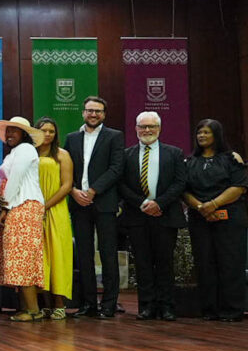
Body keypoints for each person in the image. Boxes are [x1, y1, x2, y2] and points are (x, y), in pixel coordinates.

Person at [119, 112, 187, 321]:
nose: (147, 130)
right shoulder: (126, 155)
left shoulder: (174, 153)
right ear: (136, 129)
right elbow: (121, 184)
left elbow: (180, 182)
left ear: (159, 128)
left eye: (151, 126)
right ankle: (147, 306)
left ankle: (167, 307)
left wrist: (159, 203)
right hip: (136, 217)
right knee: (142, 263)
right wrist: (142, 203)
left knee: (165, 263)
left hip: (165, 215)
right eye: (142, 126)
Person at [63, 96, 124, 318]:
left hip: (104, 203)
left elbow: (116, 168)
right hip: (79, 203)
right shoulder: (71, 138)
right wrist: (73, 191)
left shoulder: (114, 136)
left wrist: (93, 191)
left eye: (98, 111)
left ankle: (108, 304)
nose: (93, 114)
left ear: (104, 114)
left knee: (108, 254)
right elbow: (65, 169)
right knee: (84, 255)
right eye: (90, 110)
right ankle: (88, 304)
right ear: (83, 112)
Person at [182, 119, 247, 322]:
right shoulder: (189, 161)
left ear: (217, 135)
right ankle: (210, 309)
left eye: (207, 132)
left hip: (229, 218)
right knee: (205, 263)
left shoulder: (231, 158)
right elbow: (184, 191)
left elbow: (239, 187)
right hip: (200, 218)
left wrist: (214, 204)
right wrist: (201, 207)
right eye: (199, 132)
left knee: (231, 263)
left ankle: (232, 309)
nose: (202, 136)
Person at [0, 117, 46, 322]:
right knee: (16, 258)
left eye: (14, 131)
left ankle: (33, 310)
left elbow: (14, 180)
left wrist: (5, 206)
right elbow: (0, 178)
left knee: (23, 258)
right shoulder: (12, 153)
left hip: (24, 206)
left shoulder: (26, 150)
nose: (9, 134)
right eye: (8, 131)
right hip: (14, 206)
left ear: (24, 134)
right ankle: (25, 308)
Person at [34, 117, 74, 320]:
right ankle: (45, 304)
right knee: (40, 258)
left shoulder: (62, 154)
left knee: (58, 256)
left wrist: (46, 206)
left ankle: (59, 304)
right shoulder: (29, 153)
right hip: (33, 211)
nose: (48, 134)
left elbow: (67, 185)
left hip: (55, 210)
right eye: (44, 130)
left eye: (51, 131)